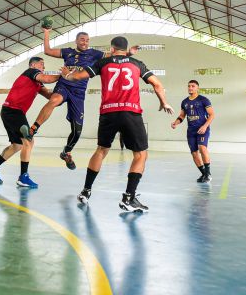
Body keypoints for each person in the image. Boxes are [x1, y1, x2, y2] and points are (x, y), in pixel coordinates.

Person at [61, 36, 173, 212]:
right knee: (140, 155)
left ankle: (86, 191)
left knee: (101, 150)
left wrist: (66, 73)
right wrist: (164, 102)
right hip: (131, 112)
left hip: (108, 113)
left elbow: (77, 77)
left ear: (112, 49)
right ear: (125, 49)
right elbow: (157, 84)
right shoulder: (137, 64)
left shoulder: (103, 63)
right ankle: (129, 198)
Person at [28, 27, 138, 171]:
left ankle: (66, 152)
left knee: (77, 131)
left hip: (79, 92)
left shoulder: (94, 54)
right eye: (82, 39)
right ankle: (33, 129)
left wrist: (129, 53)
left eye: (87, 40)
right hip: (64, 85)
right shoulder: (68, 52)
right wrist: (47, 32)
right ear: (76, 41)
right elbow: (48, 51)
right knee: (54, 100)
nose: (85, 42)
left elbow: (113, 55)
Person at [0, 57, 60, 188]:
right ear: (33, 64)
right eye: (42, 64)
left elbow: (49, 96)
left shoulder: (37, 83)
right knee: (28, 141)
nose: (44, 67)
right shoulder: (31, 72)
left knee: (17, 145)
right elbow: (48, 78)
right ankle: (23, 177)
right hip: (13, 111)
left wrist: (63, 88)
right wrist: (63, 74)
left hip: (11, 112)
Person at [171, 80, 215, 182]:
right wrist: (175, 123)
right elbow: (182, 116)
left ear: (197, 88)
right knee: (194, 153)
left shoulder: (204, 100)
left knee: (202, 148)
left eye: (193, 86)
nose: (190, 88)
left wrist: (205, 126)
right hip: (191, 131)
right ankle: (204, 174)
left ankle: (208, 173)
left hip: (202, 128)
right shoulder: (184, 102)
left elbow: (212, 115)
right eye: (189, 86)